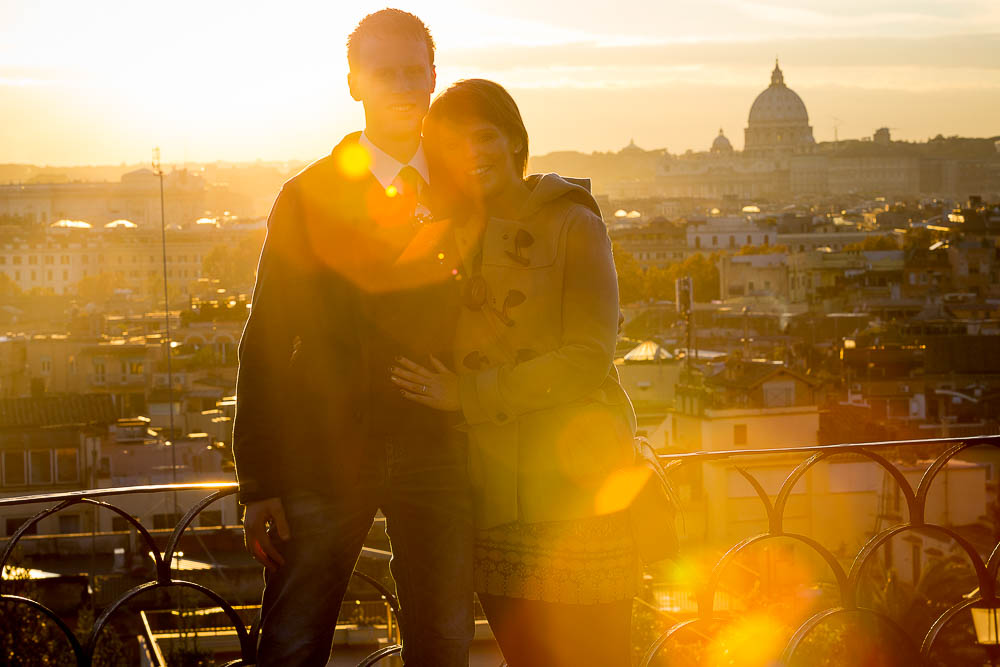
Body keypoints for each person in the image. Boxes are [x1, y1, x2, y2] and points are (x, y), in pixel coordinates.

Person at [233, 10, 473, 666]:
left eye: (412, 71)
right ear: (353, 84)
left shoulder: (469, 193)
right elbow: (266, 338)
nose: (400, 84)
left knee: (446, 643)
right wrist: (258, 478)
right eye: (384, 71)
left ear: (431, 80)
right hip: (325, 451)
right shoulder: (307, 197)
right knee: (290, 645)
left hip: (437, 450)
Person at [392, 79, 640, 667]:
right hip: (496, 495)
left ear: (515, 141)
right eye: (453, 145)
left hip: (574, 492)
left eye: (485, 136)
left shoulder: (574, 225)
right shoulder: (444, 237)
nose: (473, 154)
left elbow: (587, 359)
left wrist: (466, 394)